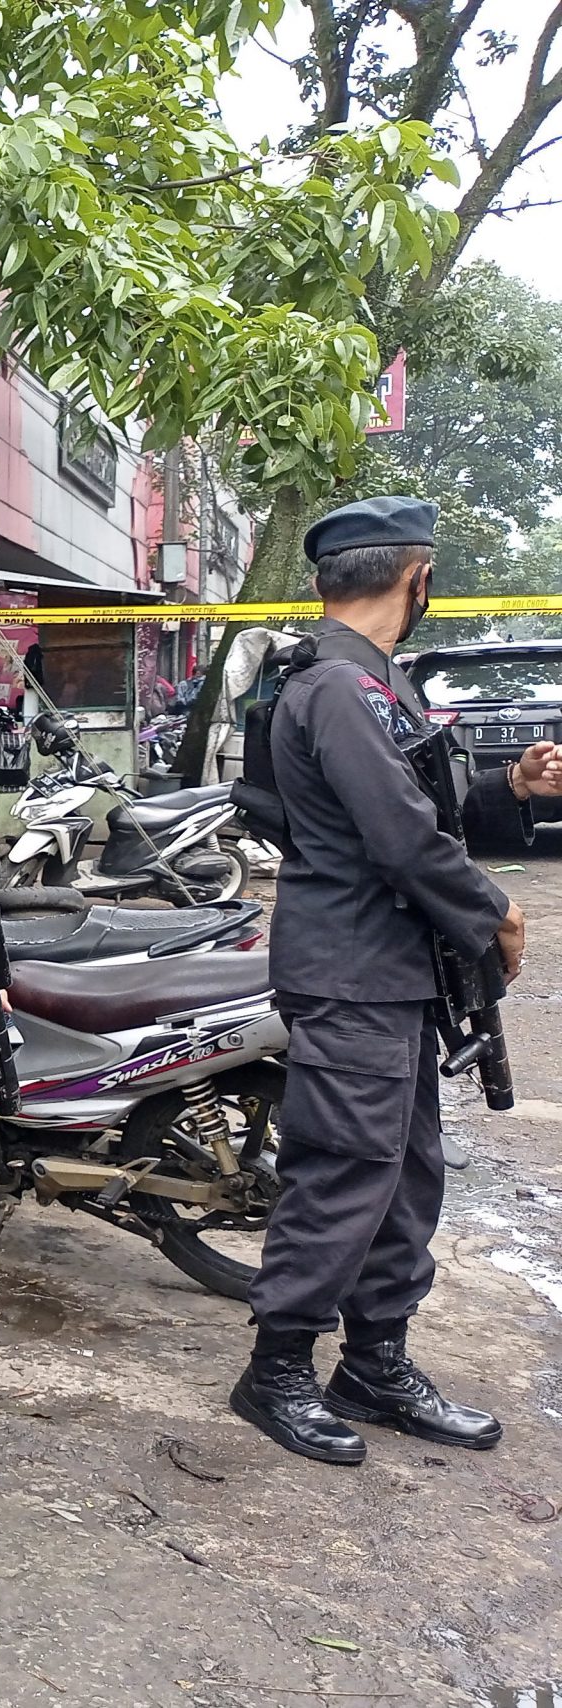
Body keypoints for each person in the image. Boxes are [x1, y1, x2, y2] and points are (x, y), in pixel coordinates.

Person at [230, 496, 560, 1462]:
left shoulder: (376, 683)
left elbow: (426, 807)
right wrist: (494, 909)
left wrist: (508, 790)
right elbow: (400, 838)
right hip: (352, 967)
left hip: (394, 970)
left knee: (405, 1177)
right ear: (417, 578)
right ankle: (278, 1370)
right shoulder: (337, 684)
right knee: (343, 1174)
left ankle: (376, 1361)